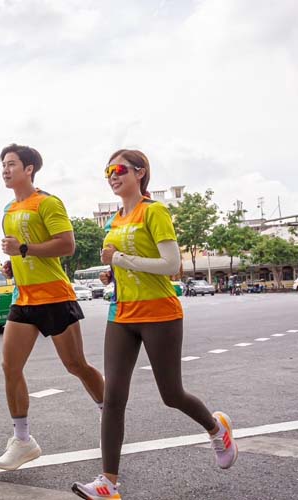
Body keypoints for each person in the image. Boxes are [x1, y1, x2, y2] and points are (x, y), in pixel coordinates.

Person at [71, 150, 237, 500]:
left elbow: (171, 264)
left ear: (140, 172)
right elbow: (122, 266)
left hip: (160, 312)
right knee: (113, 397)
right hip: (122, 313)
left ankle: (215, 428)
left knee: (171, 394)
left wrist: (119, 258)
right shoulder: (113, 220)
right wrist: (111, 272)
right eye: (108, 172)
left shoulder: (155, 211)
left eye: (119, 170)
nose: (113, 176)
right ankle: (108, 483)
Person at [0, 143, 105, 471]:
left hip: (56, 297)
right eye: (3, 164)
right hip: (24, 298)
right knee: (9, 367)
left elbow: (67, 245)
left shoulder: (48, 202)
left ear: (29, 169)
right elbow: (23, 253)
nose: (5, 169)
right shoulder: (8, 210)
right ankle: (23, 440)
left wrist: (25, 248)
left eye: (11, 163)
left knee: (76, 365)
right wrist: (13, 264)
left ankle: (109, 416)